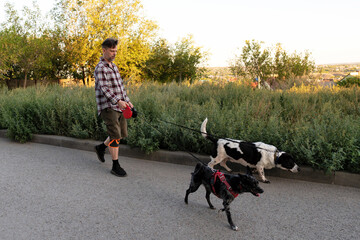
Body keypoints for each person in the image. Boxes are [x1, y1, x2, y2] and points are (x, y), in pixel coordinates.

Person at [94, 38, 133, 177]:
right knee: (115, 135)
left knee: (119, 134)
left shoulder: (114, 67)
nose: (114, 53)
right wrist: (118, 101)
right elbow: (104, 89)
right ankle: (115, 166)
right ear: (104, 50)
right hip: (108, 106)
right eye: (111, 51)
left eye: (115, 51)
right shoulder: (100, 68)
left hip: (119, 106)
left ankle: (101, 147)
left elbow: (121, 88)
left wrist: (127, 102)